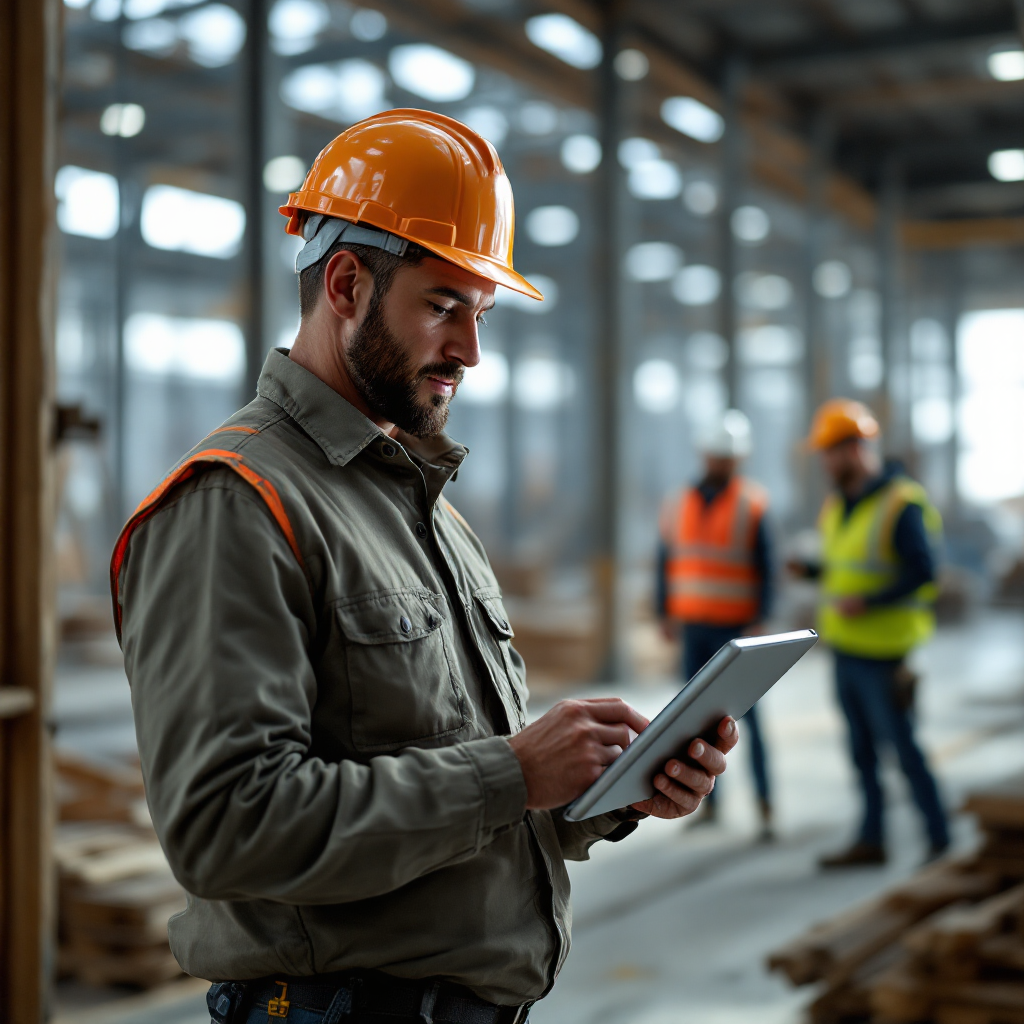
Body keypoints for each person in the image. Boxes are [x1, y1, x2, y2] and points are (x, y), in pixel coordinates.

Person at [110, 110, 738, 1024]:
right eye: (444, 307)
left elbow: (457, 798)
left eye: (481, 314)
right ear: (346, 283)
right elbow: (228, 826)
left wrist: (605, 791)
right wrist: (515, 772)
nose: (469, 352)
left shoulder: (425, 510)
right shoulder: (237, 504)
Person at [794, 398, 949, 868]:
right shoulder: (839, 505)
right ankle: (872, 839)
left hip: (885, 654)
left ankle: (939, 839)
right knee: (861, 753)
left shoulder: (901, 504)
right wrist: (811, 571)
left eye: (829, 452)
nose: (824, 463)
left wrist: (870, 602)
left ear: (854, 449)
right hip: (846, 648)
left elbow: (924, 572)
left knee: (903, 749)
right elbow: (845, 568)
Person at [657, 410, 774, 838]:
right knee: (694, 723)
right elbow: (665, 560)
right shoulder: (679, 502)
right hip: (694, 627)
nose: (721, 462)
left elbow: (767, 566)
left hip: (737, 632)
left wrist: (761, 618)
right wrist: (663, 611)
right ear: (704, 454)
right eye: (716, 455)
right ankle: (709, 805)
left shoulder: (752, 503)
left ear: (738, 459)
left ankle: (765, 806)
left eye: (728, 457)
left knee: (750, 722)